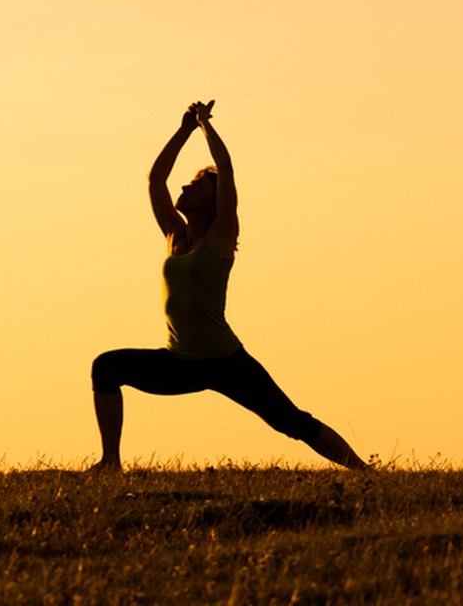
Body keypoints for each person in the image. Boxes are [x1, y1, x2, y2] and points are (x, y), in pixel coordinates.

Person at [88, 101, 368, 471]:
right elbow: (155, 181)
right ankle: (110, 461)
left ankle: (365, 471)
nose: (186, 186)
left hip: (226, 362)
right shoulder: (175, 235)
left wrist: (206, 126)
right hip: (180, 362)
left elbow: (228, 170)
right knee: (107, 367)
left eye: (197, 185)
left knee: (291, 422)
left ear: (213, 201)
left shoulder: (220, 237)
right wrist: (184, 131)